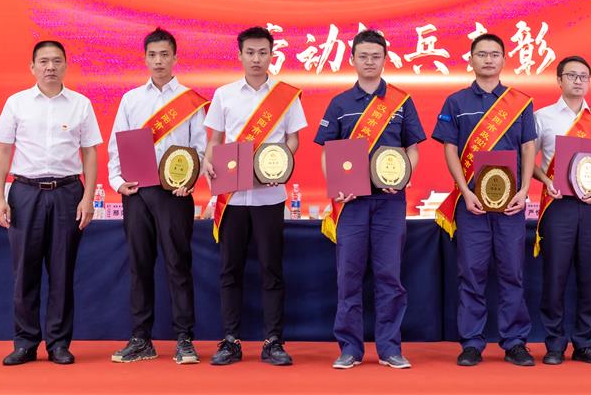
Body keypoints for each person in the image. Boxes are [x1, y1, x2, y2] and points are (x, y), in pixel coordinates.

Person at [314, 30, 426, 370]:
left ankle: (390, 348)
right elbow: (327, 152)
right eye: (363, 56)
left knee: (389, 276)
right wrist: (337, 185)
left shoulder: (401, 102)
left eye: (376, 56)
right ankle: (349, 348)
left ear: (385, 59)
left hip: (390, 202)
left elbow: (412, 149)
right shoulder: (339, 104)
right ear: (352, 59)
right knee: (348, 276)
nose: (369, 62)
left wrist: (404, 175)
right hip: (352, 203)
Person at [0, 40, 102, 366]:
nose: (50, 67)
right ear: (32, 67)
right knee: (24, 271)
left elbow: (90, 153)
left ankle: (58, 343)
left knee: (62, 271)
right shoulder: (16, 103)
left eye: (56, 61)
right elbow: (3, 151)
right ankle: (25, 342)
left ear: (66, 65)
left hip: (68, 192)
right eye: (43, 61)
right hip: (25, 193)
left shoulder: (81, 104)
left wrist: (88, 198)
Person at [202, 26, 307, 366]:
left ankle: (273, 341)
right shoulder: (224, 94)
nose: (257, 59)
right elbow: (215, 140)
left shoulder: (285, 95)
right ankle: (230, 340)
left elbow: (293, 139)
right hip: (232, 196)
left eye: (263, 52)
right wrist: (208, 161)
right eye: (250, 52)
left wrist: (280, 162)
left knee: (271, 269)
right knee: (229, 269)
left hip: (269, 195)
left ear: (272, 55)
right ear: (240, 55)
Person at [432, 33, 537, 367]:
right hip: (471, 204)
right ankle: (472, 343)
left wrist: (524, 189)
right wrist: (464, 191)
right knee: (472, 273)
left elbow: (528, 147)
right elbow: (450, 148)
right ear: (471, 60)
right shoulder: (455, 102)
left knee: (512, 272)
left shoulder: (520, 102)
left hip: (511, 205)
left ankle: (515, 342)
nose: (488, 59)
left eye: (494, 54)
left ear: (504, 59)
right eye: (482, 54)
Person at [107, 28, 208, 364]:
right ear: (145, 58)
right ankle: (141, 338)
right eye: (153, 55)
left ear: (175, 58)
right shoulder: (131, 99)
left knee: (178, 264)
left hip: (175, 194)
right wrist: (117, 181)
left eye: (165, 55)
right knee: (139, 265)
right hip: (136, 192)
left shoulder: (190, 101)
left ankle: (184, 338)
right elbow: (117, 145)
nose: (159, 61)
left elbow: (199, 149)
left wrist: (190, 181)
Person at [532, 55, 591, 365]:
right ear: (558, 80)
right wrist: (546, 180)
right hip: (557, 205)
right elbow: (528, 161)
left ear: (589, 82)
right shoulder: (542, 117)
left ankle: (585, 344)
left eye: (583, 76)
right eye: (571, 75)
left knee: (590, 275)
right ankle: (554, 344)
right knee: (554, 275)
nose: (577, 81)